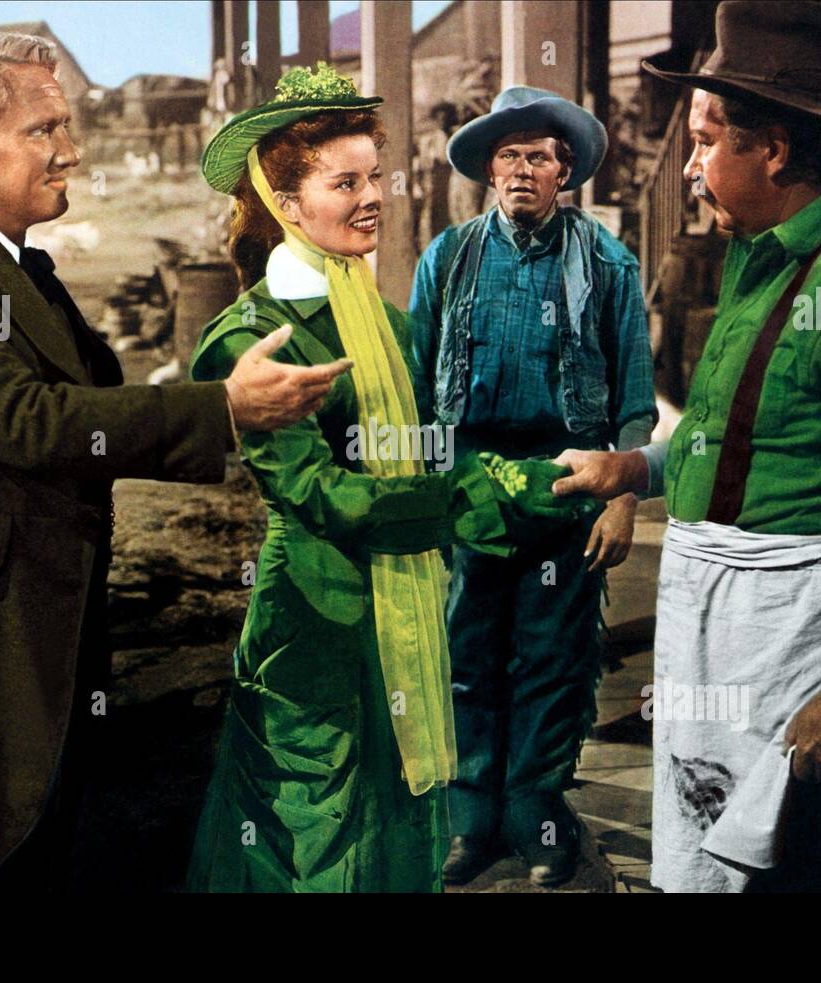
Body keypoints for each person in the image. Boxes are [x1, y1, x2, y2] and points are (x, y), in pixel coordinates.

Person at [0, 32, 346, 892]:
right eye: (44, 130)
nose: (71, 150)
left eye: (65, 126)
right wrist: (222, 406)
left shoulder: (11, 266)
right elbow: (33, 421)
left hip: (26, 637)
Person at [551, 1, 821, 892]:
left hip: (806, 662)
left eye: (707, 142)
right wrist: (635, 468)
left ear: (775, 149)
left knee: (800, 876)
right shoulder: (769, 260)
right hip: (735, 648)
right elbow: (732, 436)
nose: (695, 166)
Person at [185, 64, 586, 892]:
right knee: (319, 836)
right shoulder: (253, 339)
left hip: (403, 617)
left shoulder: (389, 325)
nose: (373, 197)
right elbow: (325, 495)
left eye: (375, 177)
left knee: (402, 827)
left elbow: (437, 452)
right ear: (286, 204)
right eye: (345, 182)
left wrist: (544, 479)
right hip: (316, 626)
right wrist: (471, 495)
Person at [408, 85, 656, 887]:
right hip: (470, 479)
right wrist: (420, 493)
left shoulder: (610, 265)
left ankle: (539, 818)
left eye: (540, 156)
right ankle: (471, 819)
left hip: (567, 480)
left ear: (566, 172)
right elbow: (415, 387)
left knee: (552, 659)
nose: (523, 168)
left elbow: (634, 399)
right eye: (509, 154)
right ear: (488, 168)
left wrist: (620, 500)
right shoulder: (447, 258)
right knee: (466, 654)